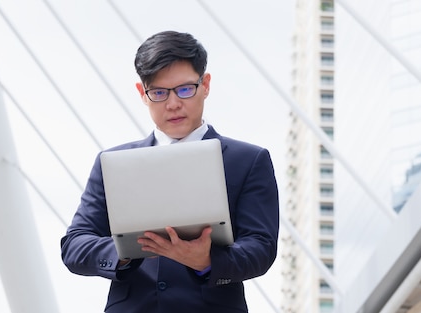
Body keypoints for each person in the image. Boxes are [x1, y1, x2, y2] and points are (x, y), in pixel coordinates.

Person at [60, 30, 280, 313]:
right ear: (142, 94)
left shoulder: (248, 160)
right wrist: (125, 253)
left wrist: (208, 260)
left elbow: (261, 248)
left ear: (206, 85)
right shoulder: (112, 162)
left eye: (185, 89)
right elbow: (74, 245)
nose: (173, 103)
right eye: (159, 93)